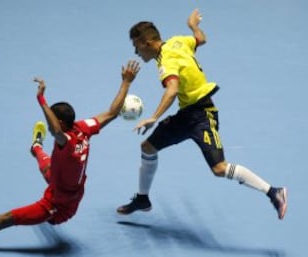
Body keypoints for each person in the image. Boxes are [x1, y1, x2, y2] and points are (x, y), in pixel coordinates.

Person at [116, 9, 288, 220]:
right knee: (148, 148)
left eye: (136, 46)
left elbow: (171, 90)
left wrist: (154, 117)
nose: (136, 52)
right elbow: (200, 40)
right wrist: (193, 27)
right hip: (186, 114)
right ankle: (143, 199)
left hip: (202, 116)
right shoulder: (178, 41)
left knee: (219, 168)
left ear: (147, 42)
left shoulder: (167, 61)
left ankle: (274, 192)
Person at [0, 60, 140, 243]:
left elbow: (56, 131)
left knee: (4, 219)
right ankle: (37, 146)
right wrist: (126, 82)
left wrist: (41, 99)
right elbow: (111, 113)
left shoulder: (66, 141)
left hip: (58, 206)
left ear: (61, 124)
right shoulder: (83, 127)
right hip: (63, 183)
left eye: (53, 121)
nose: (51, 125)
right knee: (47, 165)